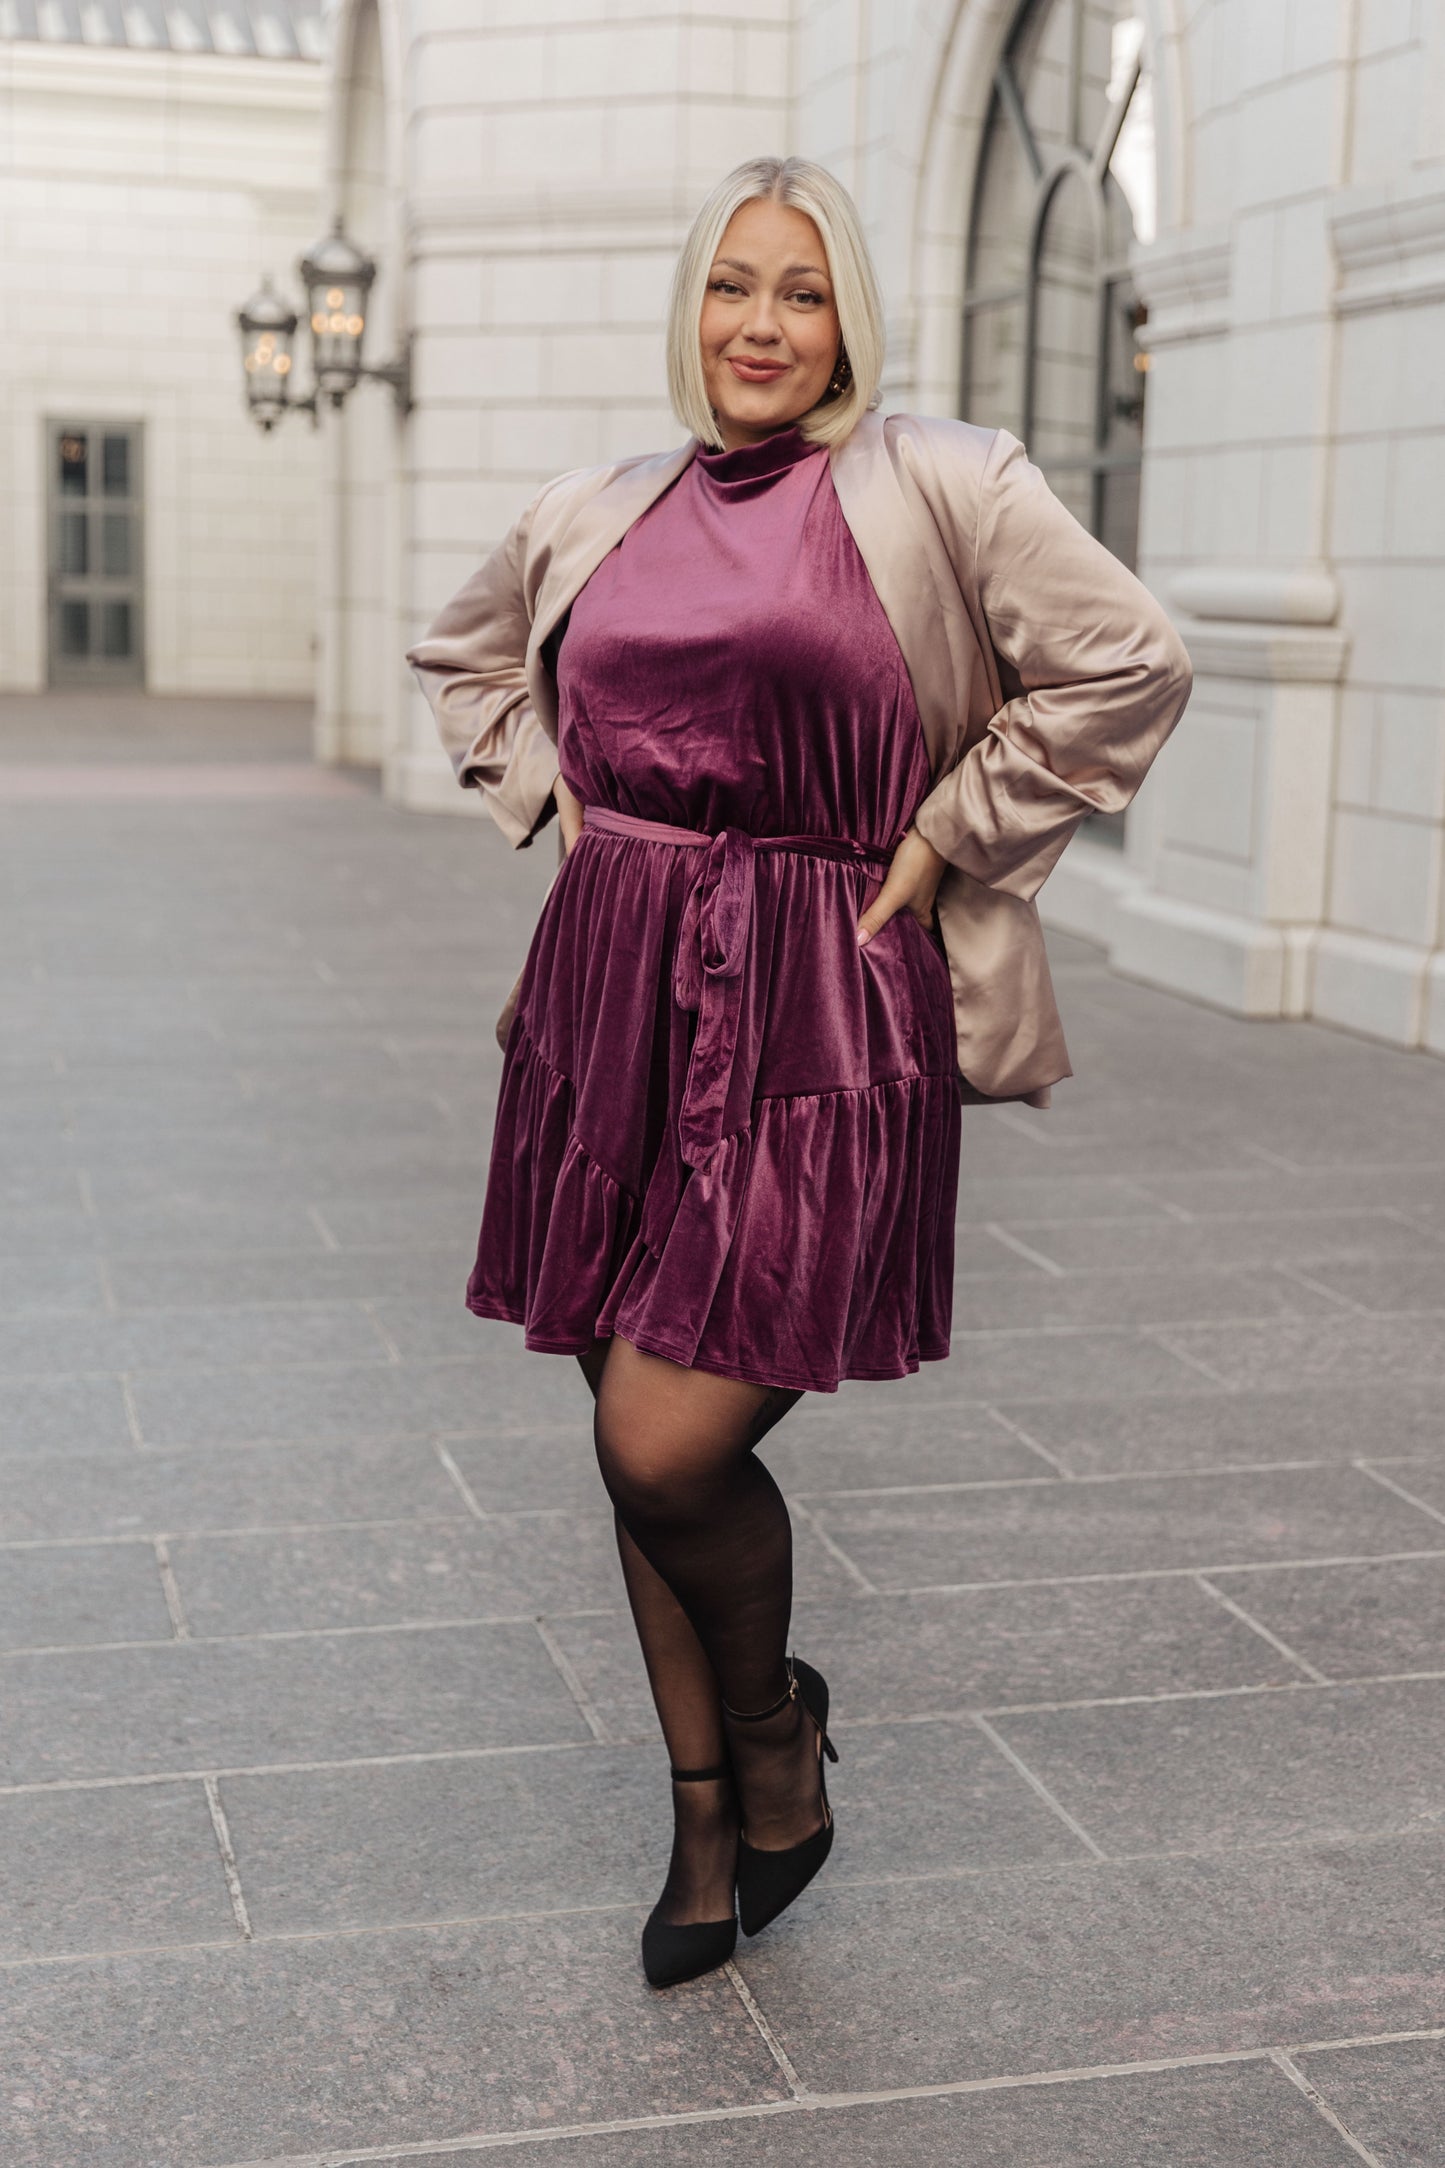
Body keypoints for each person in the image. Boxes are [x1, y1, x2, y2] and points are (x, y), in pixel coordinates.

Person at [406, 156, 1192, 1990]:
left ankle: (771, 1726)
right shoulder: (601, 501)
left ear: (851, 317)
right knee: (628, 1448)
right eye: (729, 289)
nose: (760, 326)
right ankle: (703, 1813)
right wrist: (562, 798)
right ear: (690, 305)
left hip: (819, 1008)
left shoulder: (942, 482)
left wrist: (943, 836)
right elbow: (465, 656)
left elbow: (1123, 664)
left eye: (802, 292)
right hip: (609, 1000)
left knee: (661, 1438)